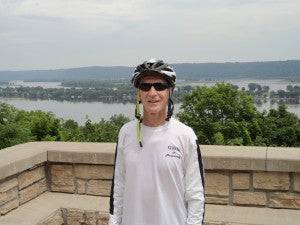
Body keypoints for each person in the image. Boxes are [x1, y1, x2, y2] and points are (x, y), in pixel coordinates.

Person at [108, 59, 205, 225]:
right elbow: (119, 186)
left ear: (170, 91)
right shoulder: (126, 133)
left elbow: (195, 194)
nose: (152, 93)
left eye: (159, 86)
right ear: (139, 92)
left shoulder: (185, 135)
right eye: (145, 86)